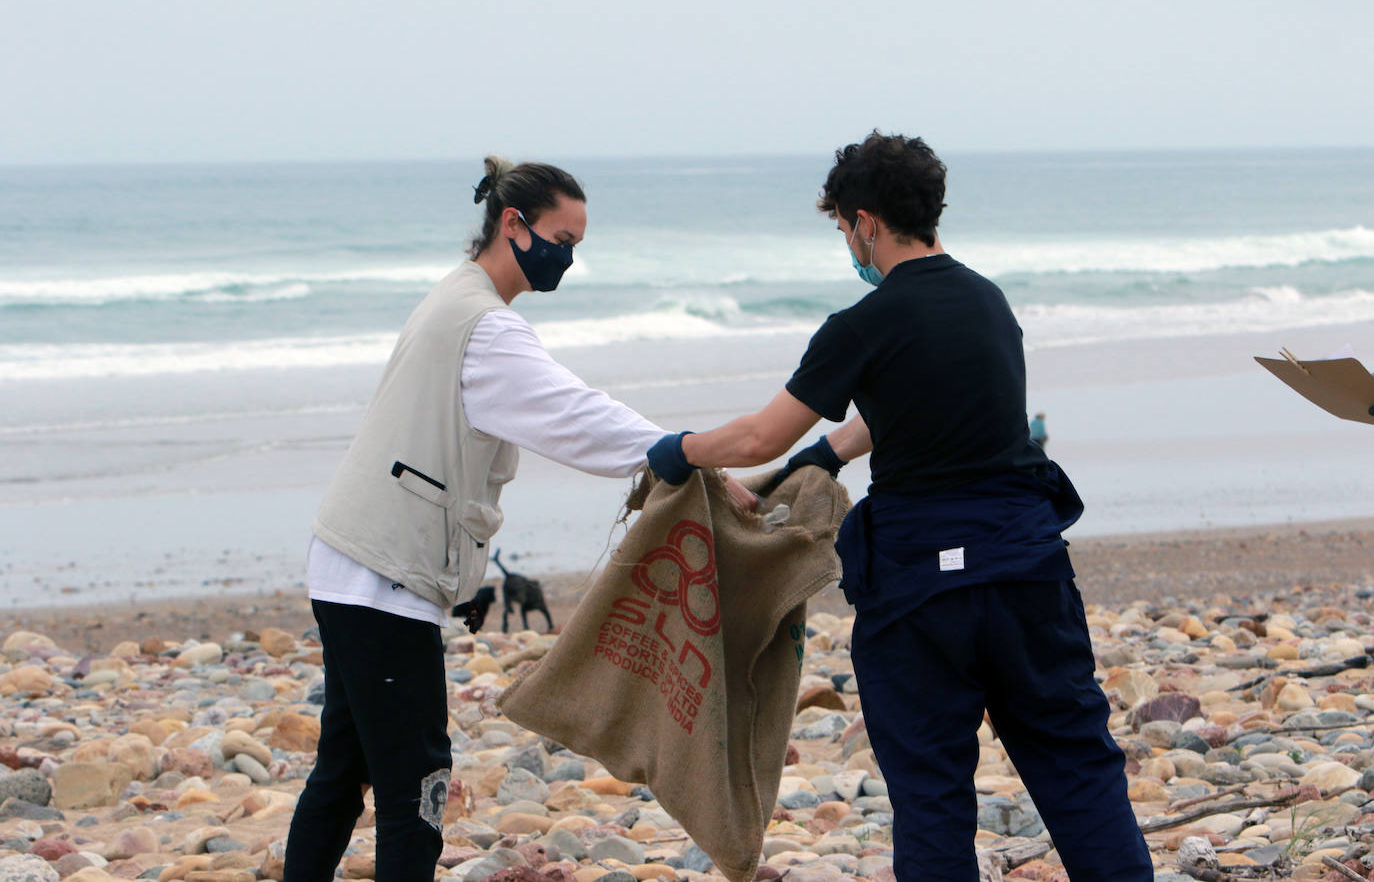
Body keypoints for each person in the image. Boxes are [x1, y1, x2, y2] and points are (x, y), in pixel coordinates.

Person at [646, 132, 1151, 881]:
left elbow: (757, 434)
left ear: (866, 223)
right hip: (1024, 565)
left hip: (921, 588)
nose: (848, 244)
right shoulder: (987, 302)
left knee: (931, 792)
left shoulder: (864, 324)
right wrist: (823, 456)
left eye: (845, 229)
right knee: (1078, 768)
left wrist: (677, 450)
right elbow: (918, 404)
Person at [284, 157, 676, 881]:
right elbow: (573, 416)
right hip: (383, 573)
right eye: (562, 238)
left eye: (578, 246)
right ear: (512, 224)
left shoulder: (455, 297)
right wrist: (677, 451)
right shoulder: (486, 329)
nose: (568, 258)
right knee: (419, 788)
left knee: (343, 768)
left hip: (349, 557)